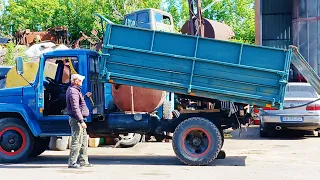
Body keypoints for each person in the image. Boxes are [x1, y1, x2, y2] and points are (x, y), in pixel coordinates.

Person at [66, 73, 93, 168]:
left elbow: (78, 102)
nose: (82, 82)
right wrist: (81, 121)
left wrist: (85, 96)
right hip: (76, 120)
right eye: (80, 80)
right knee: (76, 141)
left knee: (84, 141)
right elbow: (75, 108)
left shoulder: (75, 91)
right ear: (75, 81)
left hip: (78, 119)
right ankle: (72, 162)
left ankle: (83, 161)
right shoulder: (73, 91)